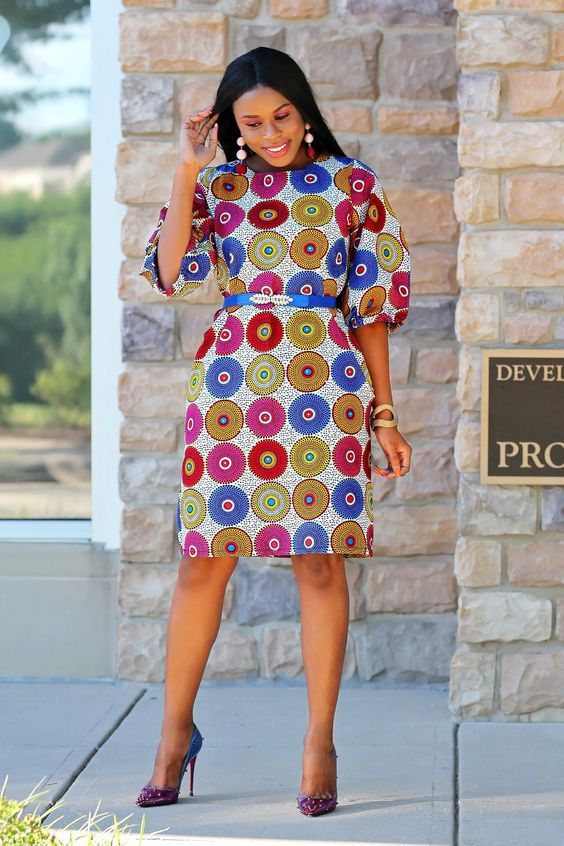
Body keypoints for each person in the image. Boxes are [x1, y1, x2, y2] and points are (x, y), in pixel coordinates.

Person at [135, 46, 412, 817]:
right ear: (231, 126)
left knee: (319, 562)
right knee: (203, 563)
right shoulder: (217, 185)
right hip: (232, 387)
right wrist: (186, 169)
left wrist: (386, 416)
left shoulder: (352, 185)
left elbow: (372, 311)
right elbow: (169, 273)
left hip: (325, 386)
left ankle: (320, 743)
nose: (271, 134)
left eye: (282, 116)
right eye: (251, 123)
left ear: (303, 108)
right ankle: (173, 735)